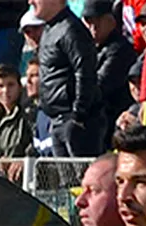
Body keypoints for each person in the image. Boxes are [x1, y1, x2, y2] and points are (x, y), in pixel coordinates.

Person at [31, 0, 105, 156]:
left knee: (81, 177)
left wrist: (78, 115)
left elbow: (85, 72)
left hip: (75, 122)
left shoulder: (71, 29)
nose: (31, 1)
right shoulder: (49, 30)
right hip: (56, 120)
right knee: (66, 179)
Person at [82, 0, 136, 150]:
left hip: (112, 124)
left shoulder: (120, 49)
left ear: (110, 21)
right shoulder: (89, 48)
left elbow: (99, 86)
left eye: (97, 22)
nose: (93, 28)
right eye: (89, 22)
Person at [0, 63, 33, 182]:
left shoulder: (29, 113)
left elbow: (35, 145)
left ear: (19, 87)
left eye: (10, 85)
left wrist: (23, 161)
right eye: (0, 86)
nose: (5, 91)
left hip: (23, 180)